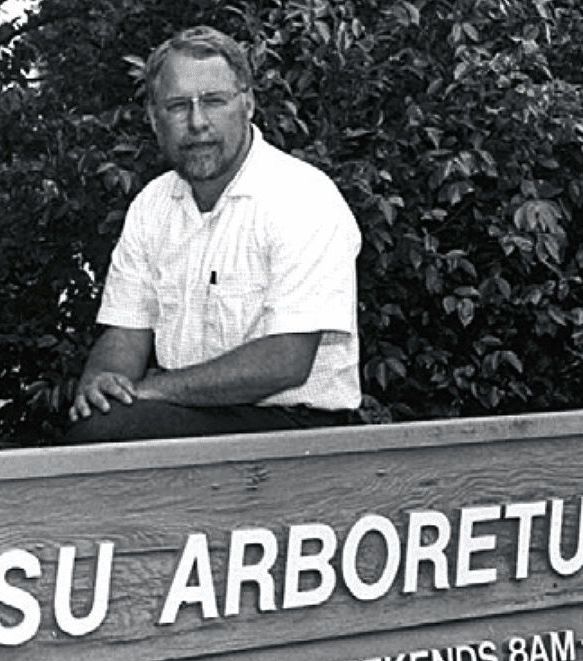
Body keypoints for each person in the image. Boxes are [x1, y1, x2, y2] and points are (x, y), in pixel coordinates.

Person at [65, 25, 362, 444]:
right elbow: (125, 331)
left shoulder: (302, 197)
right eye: (178, 106)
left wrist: (150, 390)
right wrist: (103, 383)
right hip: (187, 416)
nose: (198, 122)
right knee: (98, 421)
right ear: (154, 118)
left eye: (214, 101)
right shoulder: (152, 206)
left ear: (248, 104)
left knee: (114, 429)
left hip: (297, 430)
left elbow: (285, 362)